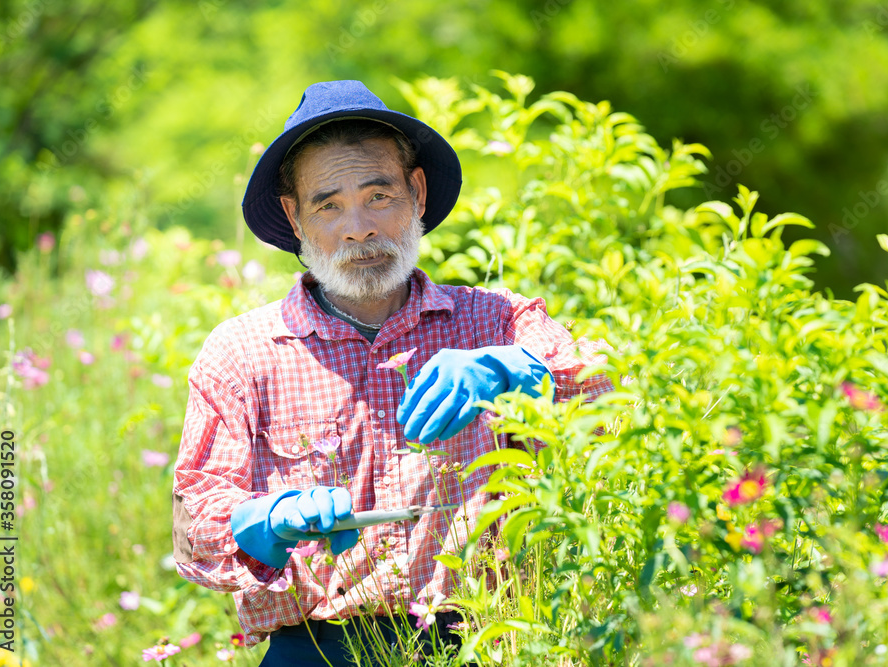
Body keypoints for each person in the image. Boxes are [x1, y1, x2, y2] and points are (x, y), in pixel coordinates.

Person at [172, 80, 612, 665]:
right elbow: (194, 519)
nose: (360, 228)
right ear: (294, 217)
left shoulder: (497, 319)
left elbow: (614, 409)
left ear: (417, 192)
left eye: (379, 196)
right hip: (319, 650)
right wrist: (259, 520)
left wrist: (518, 369)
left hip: (484, 641)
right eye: (329, 205)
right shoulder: (243, 352)